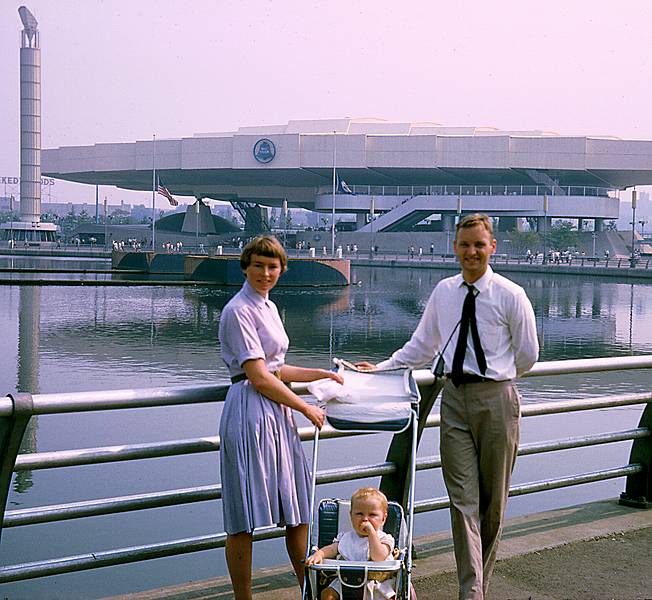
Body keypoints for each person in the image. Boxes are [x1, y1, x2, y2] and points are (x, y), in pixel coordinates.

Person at [356, 214, 539, 599]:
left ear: (492, 247)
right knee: (462, 502)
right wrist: (383, 367)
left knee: (493, 506)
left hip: (498, 401)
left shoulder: (511, 295)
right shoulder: (444, 292)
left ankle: (477, 586)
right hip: (453, 400)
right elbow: (421, 346)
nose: (471, 252)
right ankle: (471, 592)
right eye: (464, 244)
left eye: (478, 244)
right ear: (454, 247)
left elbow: (527, 355)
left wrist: (497, 381)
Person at [218, 235, 344, 600]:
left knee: (296, 506)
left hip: (276, 413)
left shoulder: (268, 307)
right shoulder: (238, 310)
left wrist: (320, 374)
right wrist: (305, 407)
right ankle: (245, 596)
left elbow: (277, 367)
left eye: (273, 266)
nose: (266, 272)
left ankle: (308, 587)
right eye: (258, 265)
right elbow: (257, 376)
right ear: (246, 266)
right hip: (249, 412)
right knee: (243, 515)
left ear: (281, 270)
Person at [306, 487, 396, 600]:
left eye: (372, 515)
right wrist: (319, 554)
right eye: (359, 514)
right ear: (351, 516)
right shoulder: (345, 537)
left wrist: (372, 533)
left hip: (376, 583)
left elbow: (378, 557)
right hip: (345, 581)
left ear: (383, 518)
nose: (365, 519)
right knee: (327, 595)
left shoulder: (385, 539)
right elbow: (332, 549)